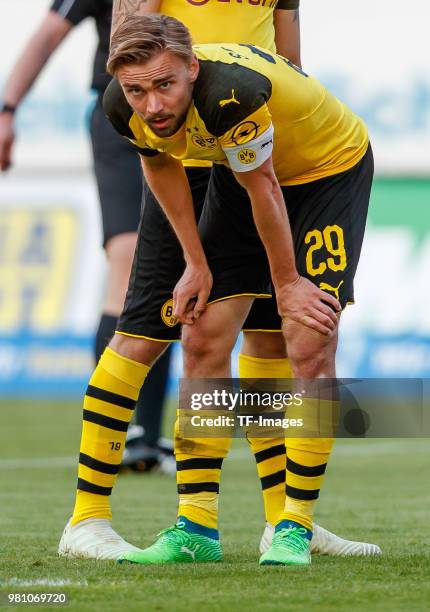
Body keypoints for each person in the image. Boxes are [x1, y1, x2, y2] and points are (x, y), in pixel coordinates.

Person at [57, 0, 380, 561]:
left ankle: (294, 526)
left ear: (193, 71)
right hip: (239, 167)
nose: (152, 106)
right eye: (138, 91)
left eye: (164, 86)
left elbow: (268, 190)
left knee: (308, 336)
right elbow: (160, 167)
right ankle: (197, 528)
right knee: (203, 333)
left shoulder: (231, 94)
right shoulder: (124, 100)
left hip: (327, 169)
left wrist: (289, 286)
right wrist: (196, 263)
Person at [0, 0, 175, 474]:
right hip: (122, 117)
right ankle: (125, 432)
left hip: (193, 120)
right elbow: (47, 35)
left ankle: (151, 437)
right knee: (131, 261)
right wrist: (7, 109)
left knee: (182, 274)